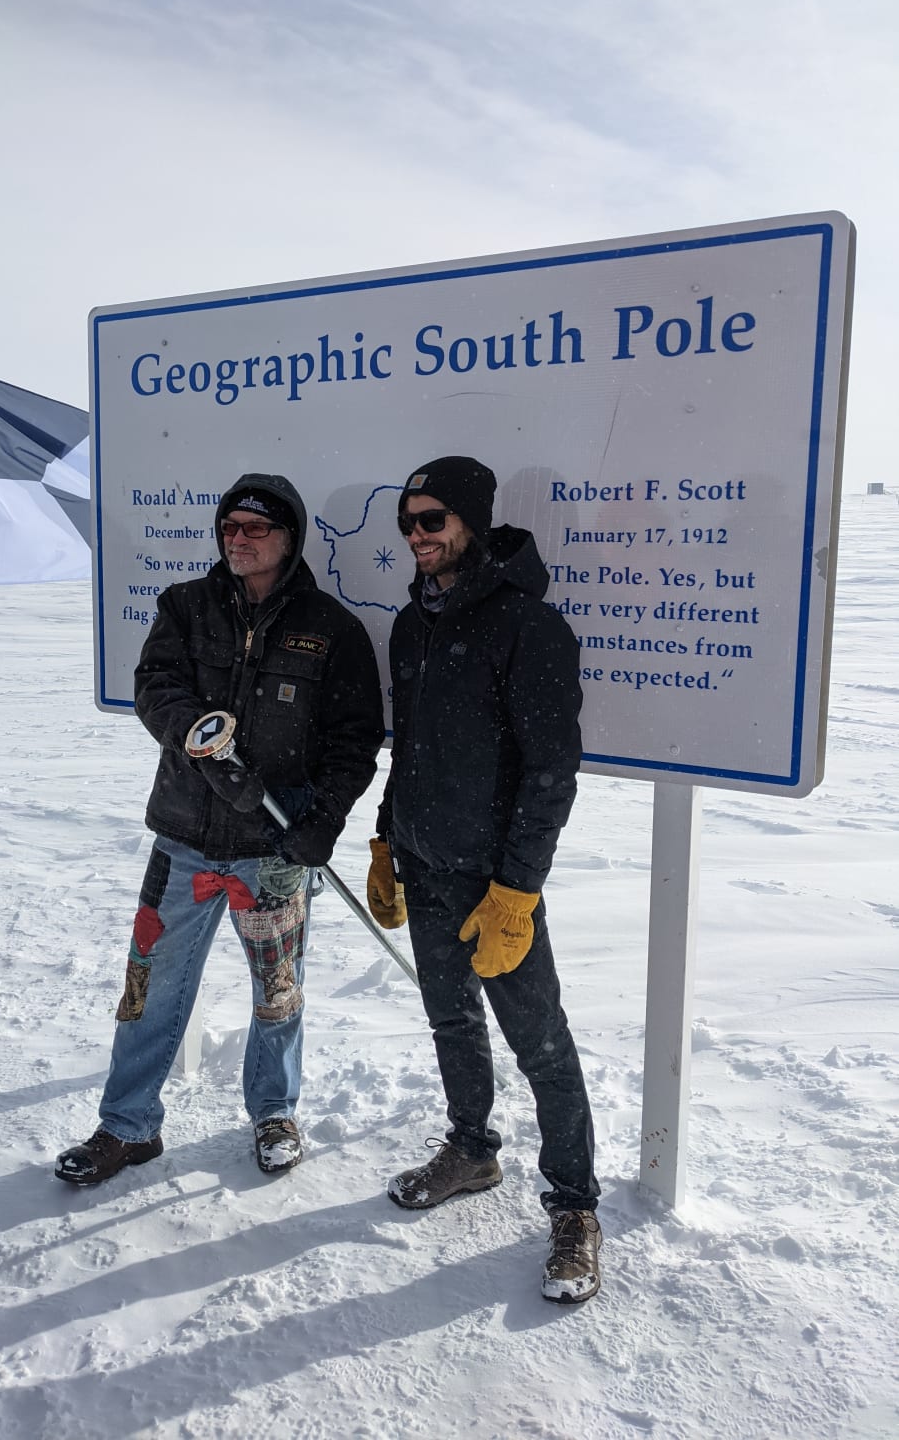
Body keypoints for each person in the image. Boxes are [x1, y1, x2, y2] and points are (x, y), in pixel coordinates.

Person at [58, 473, 384, 1185]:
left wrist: (322, 823)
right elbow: (156, 686)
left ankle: (274, 1114)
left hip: (272, 851)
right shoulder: (186, 606)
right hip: (182, 838)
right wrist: (201, 745)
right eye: (230, 526)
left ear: (289, 538)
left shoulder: (332, 631)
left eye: (255, 528)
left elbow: (354, 741)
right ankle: (127, 1127)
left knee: (278, 991)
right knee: (149, 986)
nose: (238, 539)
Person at [366, 455, 602, 1303]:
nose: (418, 536)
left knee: (541, 1043)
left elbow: (551, 771)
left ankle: (575, 1207)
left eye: (433, 520)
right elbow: (412, 745)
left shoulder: (528, 627)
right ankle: (471, 1149)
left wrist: (519, 889)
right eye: (407, 522)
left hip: (496, 884)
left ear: (470, 520)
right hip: (427, 864)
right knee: (449, 1019)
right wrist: (389, 839)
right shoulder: (411, 624)